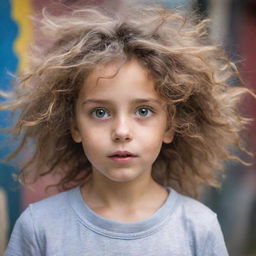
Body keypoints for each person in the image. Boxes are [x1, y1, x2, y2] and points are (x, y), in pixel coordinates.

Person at [1, 3, 253, 256]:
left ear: (170, 125)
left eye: (143, 111)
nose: (121, 131)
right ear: (74, 126)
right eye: (100, 112)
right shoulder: (39, 227)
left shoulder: (198, 228)